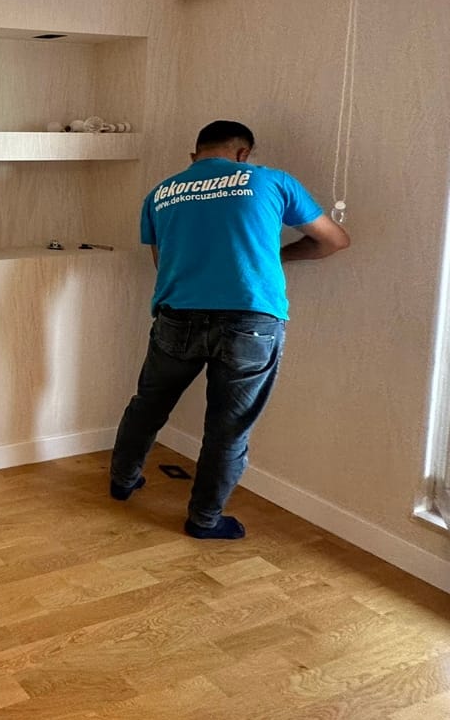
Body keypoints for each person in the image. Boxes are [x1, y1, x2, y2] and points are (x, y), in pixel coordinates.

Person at [109, 120, 349, 539]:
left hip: (178, 316)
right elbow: (334, 240)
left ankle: (122, 481)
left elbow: (162, 263)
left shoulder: (161, 193)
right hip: (250, 321)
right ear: (243, 154)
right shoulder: (272, 182)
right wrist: (276, 257)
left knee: (147, 405)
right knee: (228, 428)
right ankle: (204, 520)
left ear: (194, 156)